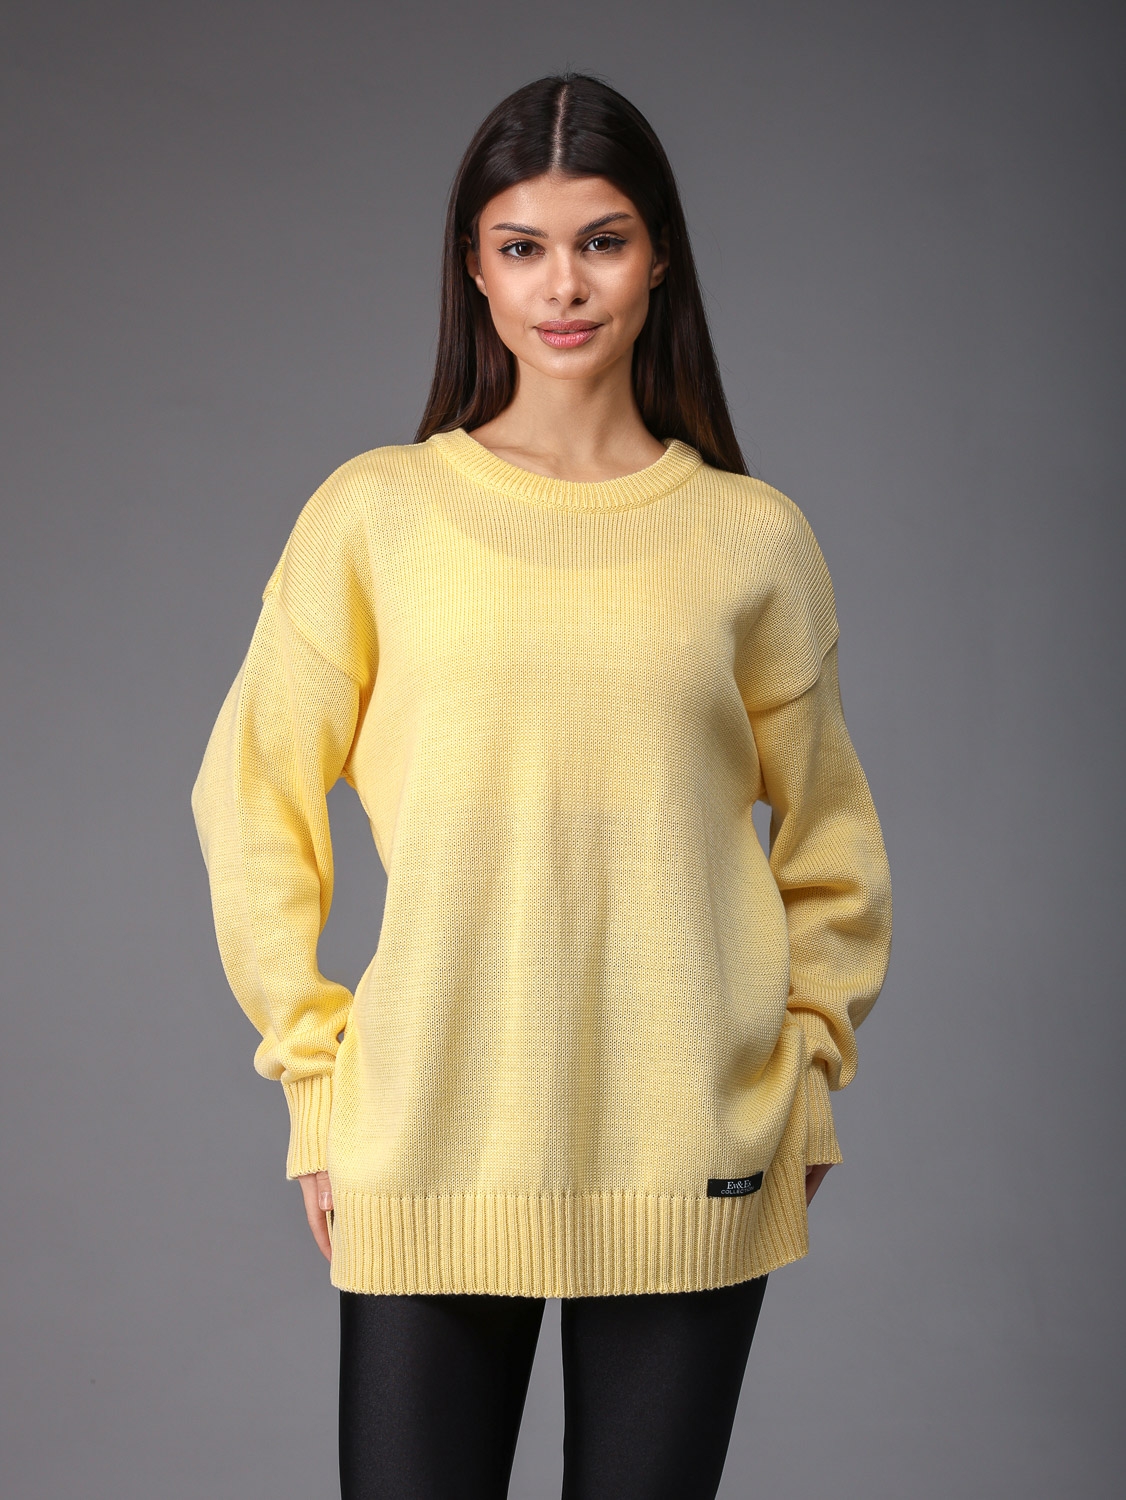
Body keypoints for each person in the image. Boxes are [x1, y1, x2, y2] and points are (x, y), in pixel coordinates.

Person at [191, 71, 892, 1500]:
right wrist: (318, 1083)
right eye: (522, 246)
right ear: (474, 267)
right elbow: (251, 796)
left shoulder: (750, 539)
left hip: (688, 1135)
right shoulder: (376, 516)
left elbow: (832, 843)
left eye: (601, 241)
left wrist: (808, 1076)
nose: (562, 286)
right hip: (430, 1131)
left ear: (659, 257)